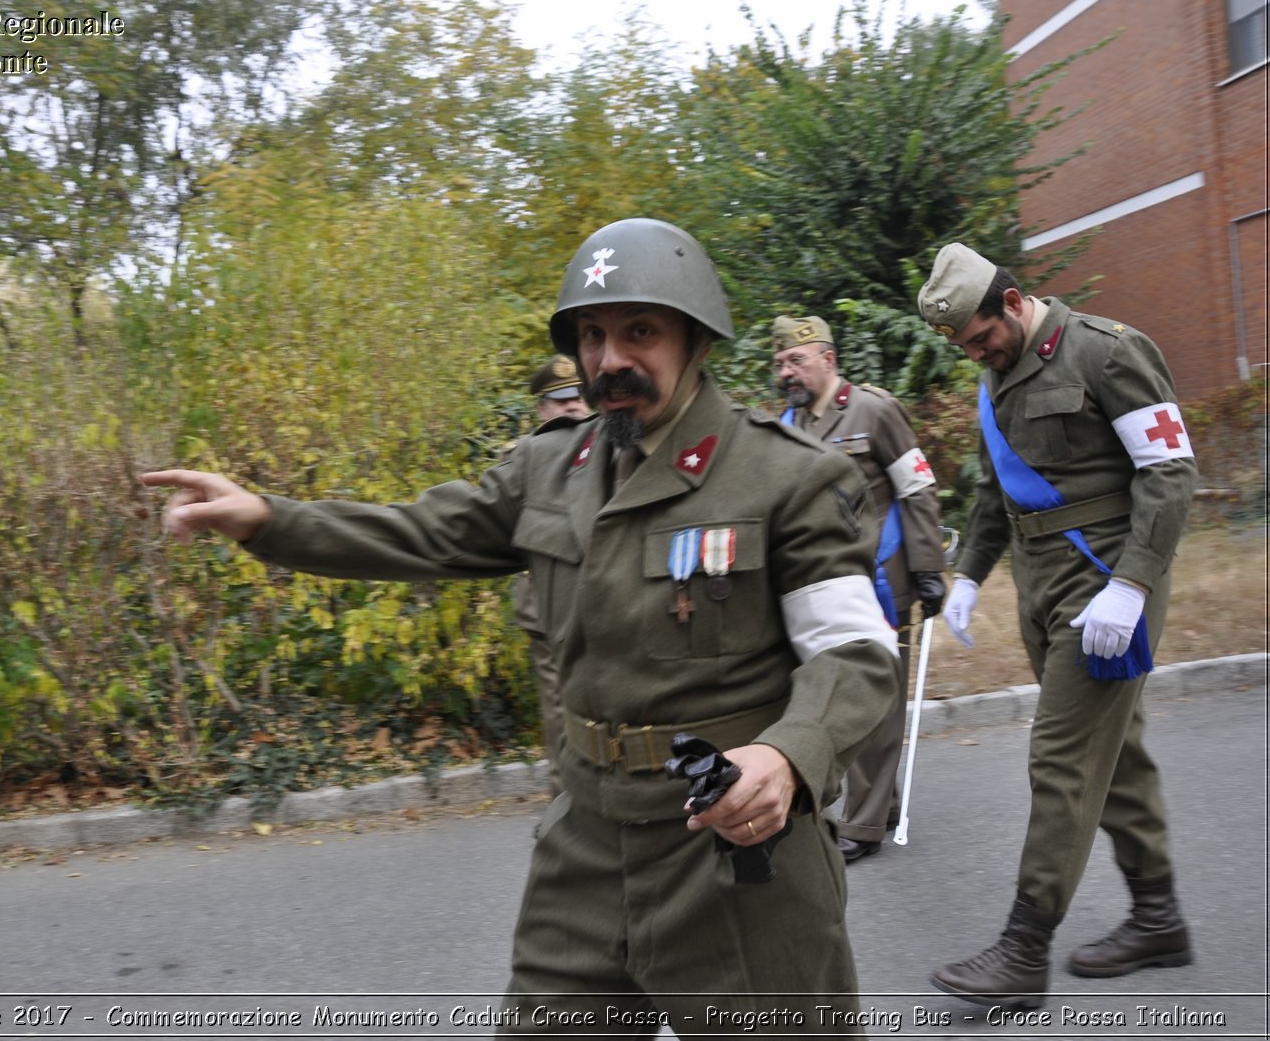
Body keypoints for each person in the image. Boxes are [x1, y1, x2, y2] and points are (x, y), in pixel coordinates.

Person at [143, 218, 899, 1035]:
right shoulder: (551, 468)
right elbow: (421, 533)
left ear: (696, 339)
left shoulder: (786, 476)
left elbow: (855, 652)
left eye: (639, 332)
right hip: (586, 847)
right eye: (593, 335)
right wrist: (268, 519)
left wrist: (788, 756)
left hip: (734, 849)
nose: (610, 359)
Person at [918, 242, 1196, 1009]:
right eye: (965, 347)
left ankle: (1023, 948)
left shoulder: (1107, 350)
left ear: (1011, 302)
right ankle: (1160, 919)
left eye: (980, 338)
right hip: (1044, 590)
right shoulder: (996, 379)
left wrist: (1133, 584)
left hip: (1109, 585)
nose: (976, 354)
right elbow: (992, 492)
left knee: (1061, 758)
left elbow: (1171, 470)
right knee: (1120, 751)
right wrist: (969, 575)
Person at [772, 316, 945, 863]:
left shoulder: (873, 410)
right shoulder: (787, 421)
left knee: (879, 700)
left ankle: (864, 824)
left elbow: (916, 487)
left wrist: (929, 568)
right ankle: (881, 804)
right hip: (819, 583)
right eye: (779, 363)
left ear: (828, 358)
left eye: (796, 360)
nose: (786, 371)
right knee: (836, 691)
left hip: (880, 576)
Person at [513, 355, 591, 796]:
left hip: (600, 595)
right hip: (544, 600)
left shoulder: (613, 450)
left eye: (579, 396)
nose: (573, 406)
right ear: (542, 407)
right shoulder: (523, 461)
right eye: (560, 400)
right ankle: (566, 805)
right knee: (560, 708)